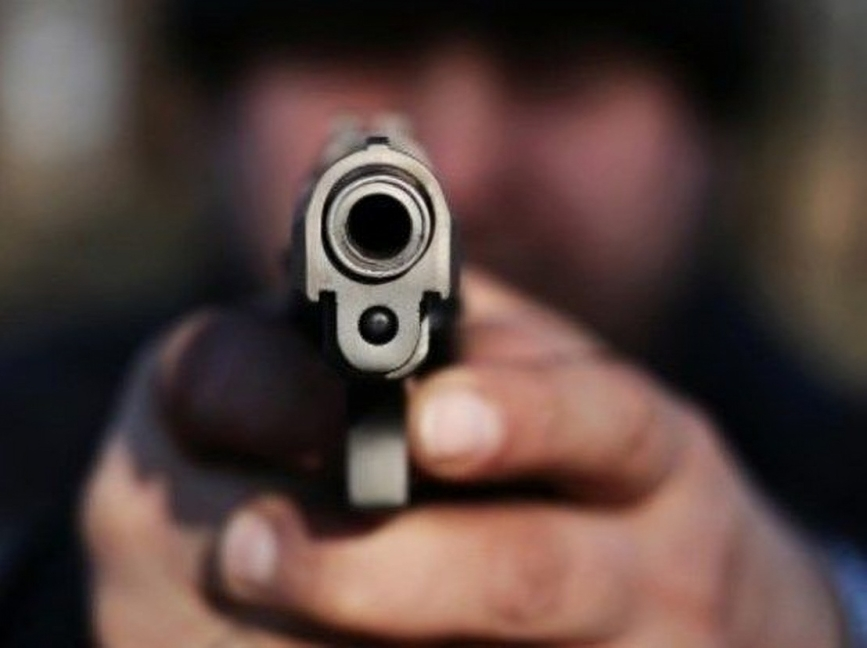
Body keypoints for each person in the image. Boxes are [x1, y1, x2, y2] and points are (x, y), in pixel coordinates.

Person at [8, 0, 867, 645]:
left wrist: (819, 619)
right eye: (358, 44)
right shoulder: (26, 439)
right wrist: (58, 608)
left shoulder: (841, 474)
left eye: (559, 65)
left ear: (711, 130)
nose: (453, 170)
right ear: (216, 109)